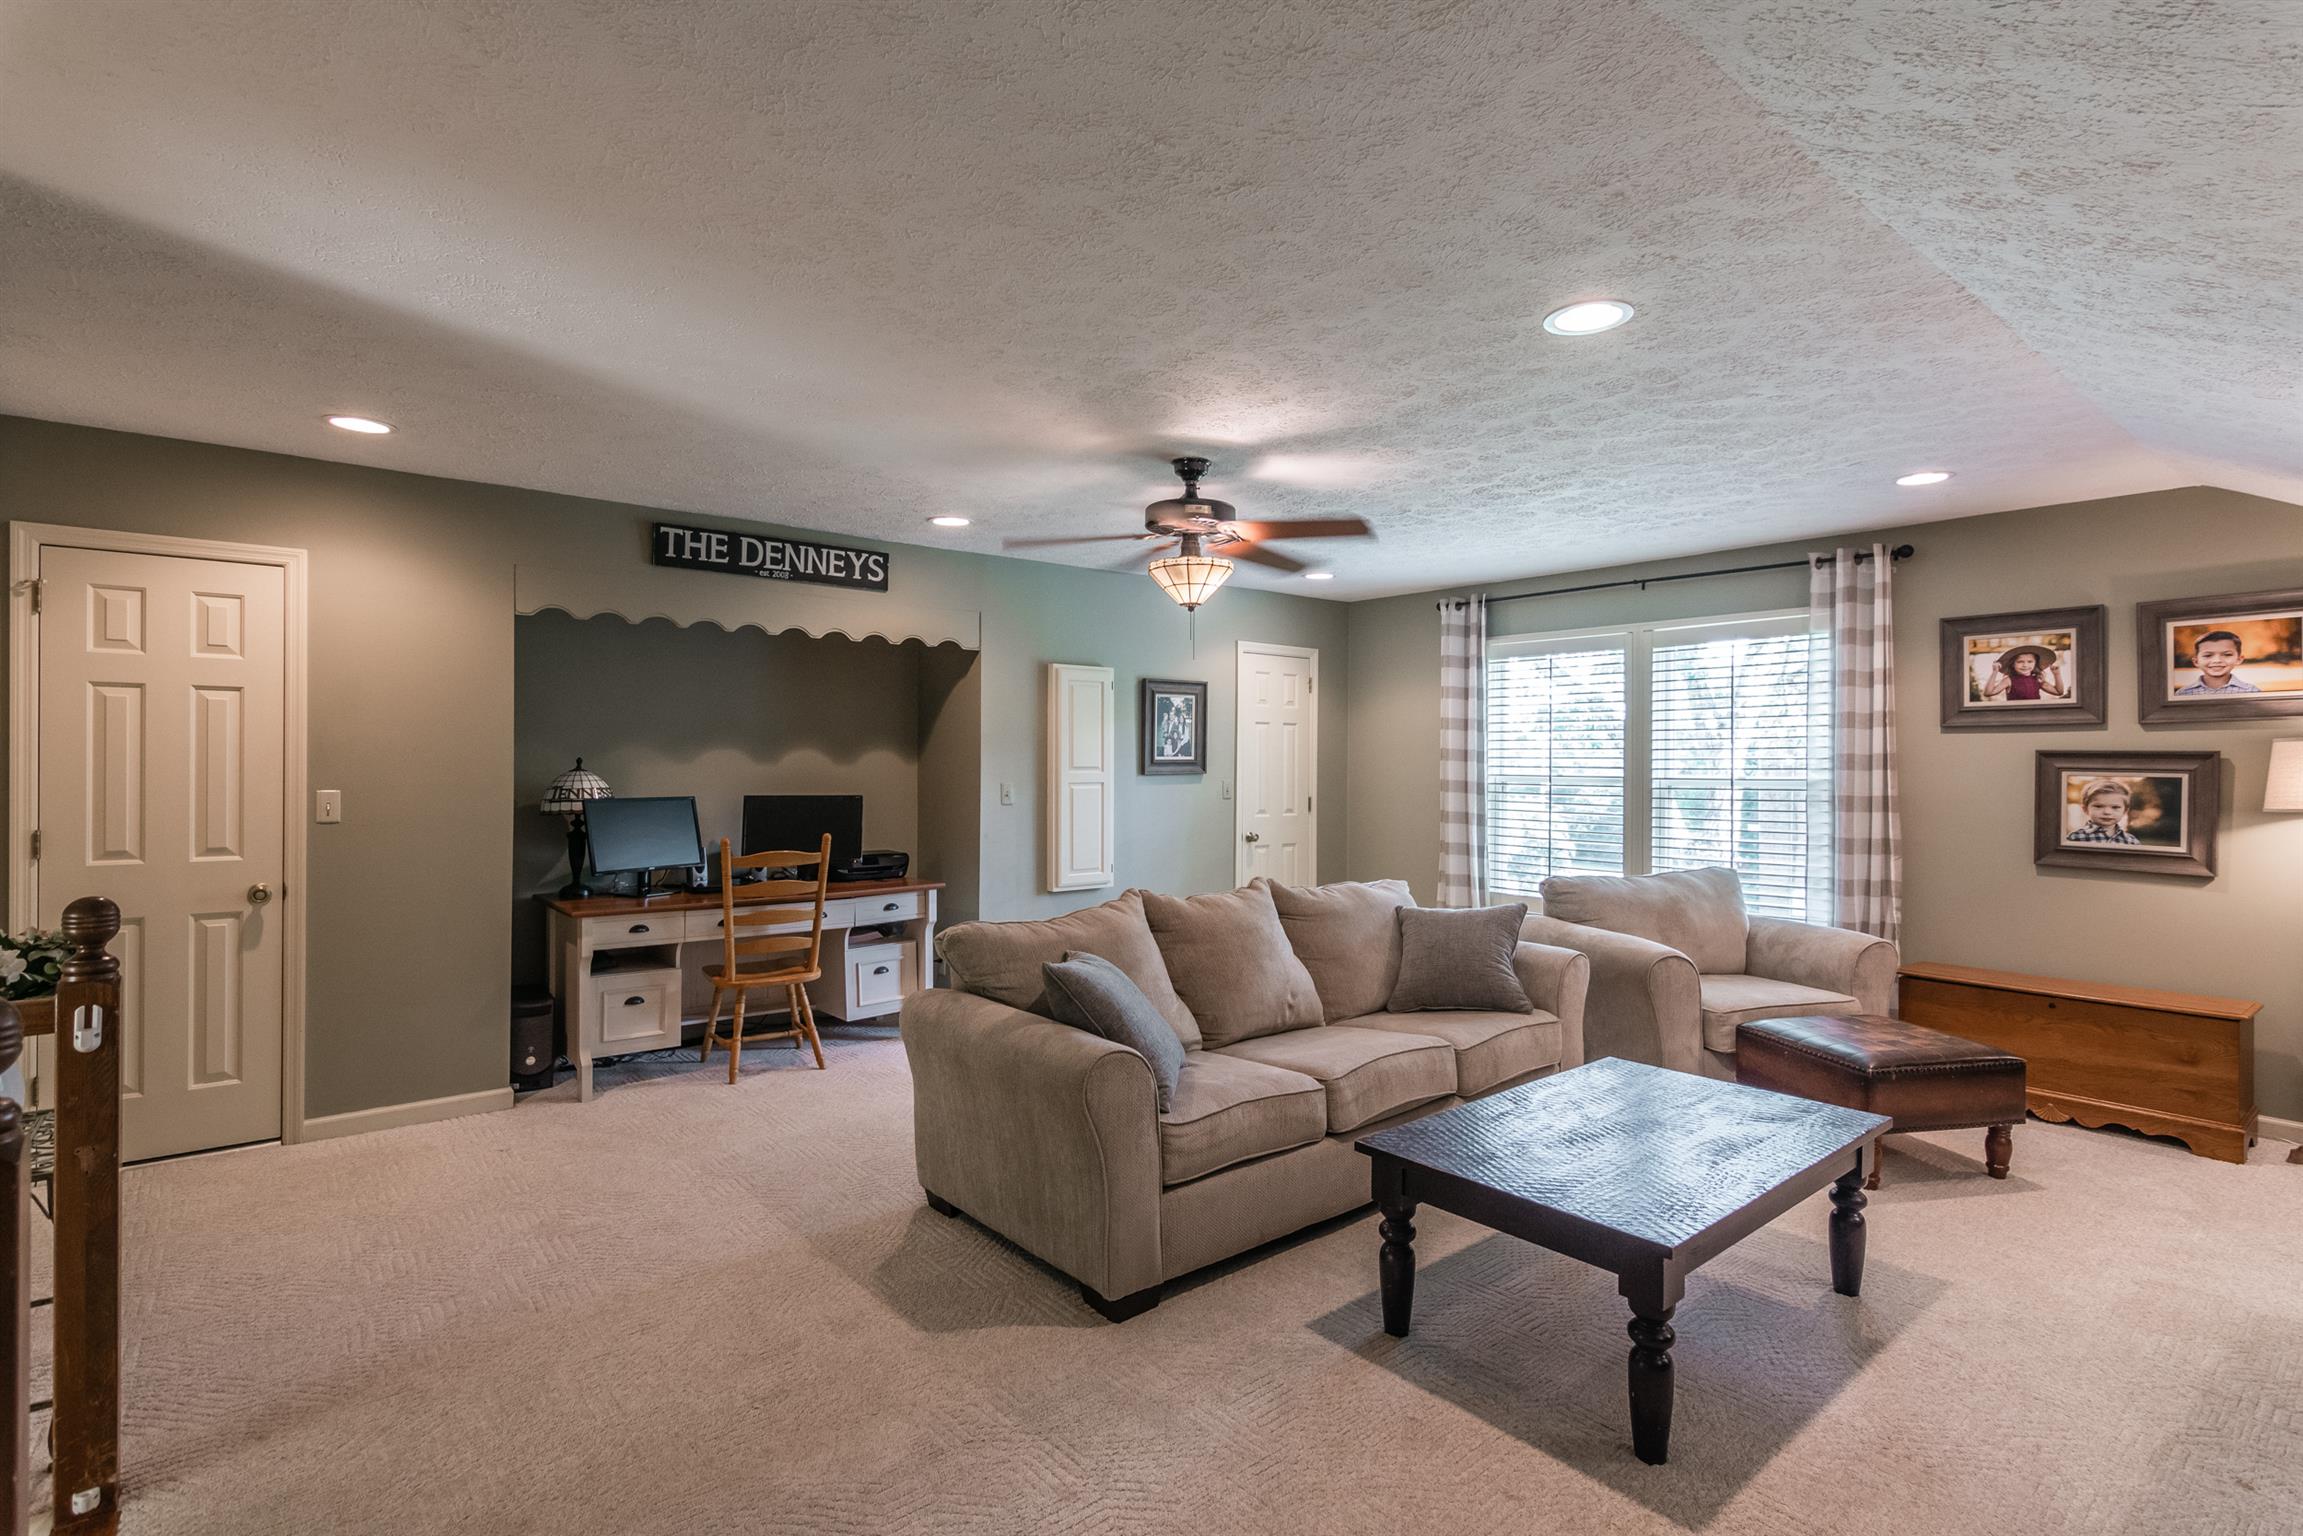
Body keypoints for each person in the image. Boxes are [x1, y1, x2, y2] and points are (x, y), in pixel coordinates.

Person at [2173, 630, 2260, 696]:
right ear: (2196, 661)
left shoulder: (2251, 691)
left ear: (2239, 659)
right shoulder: (2183, 693)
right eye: (2208, 655)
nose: (2217, 660)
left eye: (2227, 654)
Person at [2065, 779, 2142, 845]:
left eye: (2115, 807)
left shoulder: (2132, 841)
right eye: (2099, 806)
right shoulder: (2075, 838)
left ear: (2125, 811)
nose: (2107, 812)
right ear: (2085, 809)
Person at [1983, 643, 2067, 703]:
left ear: (2035, 663)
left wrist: (2057, 674)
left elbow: (2058, 692)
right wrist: (1995, 672)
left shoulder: (2038, 679)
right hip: (2015, 715)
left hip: (2035, 715)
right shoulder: (2008, 680)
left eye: (2030, 661)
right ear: (2013, 664)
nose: (2025, 665)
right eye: (2020, 662)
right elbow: (1988, 693)